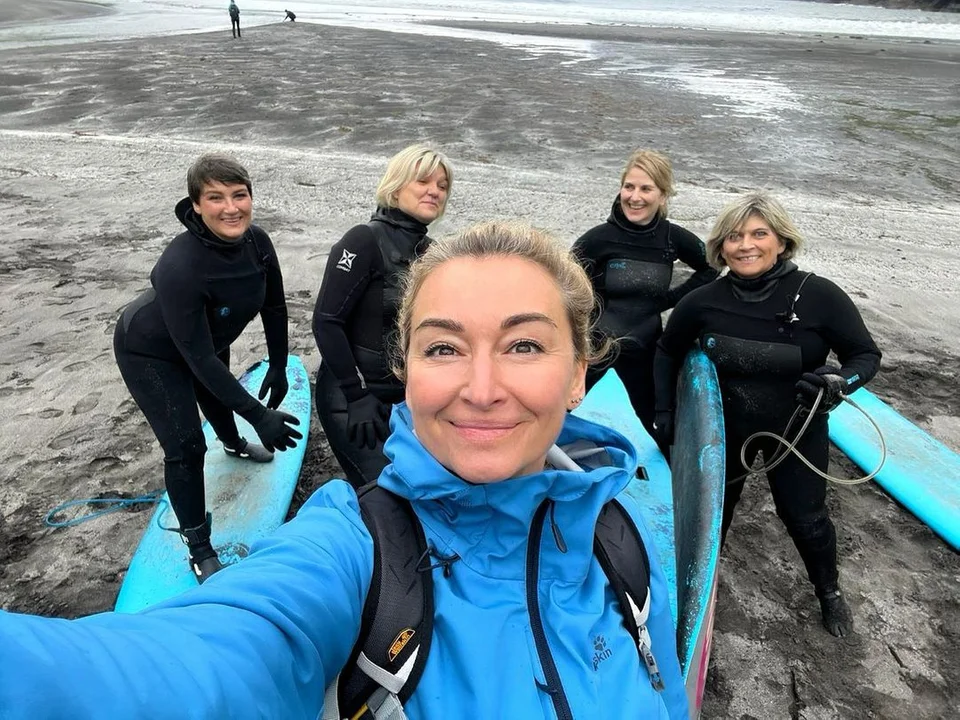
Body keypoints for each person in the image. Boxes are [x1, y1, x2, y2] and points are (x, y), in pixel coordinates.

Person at [0, 221, 689, 719]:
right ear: (406, 371)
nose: (481, 388)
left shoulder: (619, 536)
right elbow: (172, 671)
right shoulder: (353, 551)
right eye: (444, 348)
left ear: (578, 376)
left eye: (525, 344)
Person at [653, 192, 881, 637]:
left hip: (796, 429)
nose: (746, 245)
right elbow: (667, 350)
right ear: (721, 245)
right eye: (734, 236)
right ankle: (697, 593)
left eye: (759, 234)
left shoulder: (819, 295)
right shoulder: (703, 300)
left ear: (781, 241)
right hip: (723, 432)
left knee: (805, 518)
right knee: (712, 515)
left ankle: (829, 593)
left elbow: (865, 355)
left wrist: (838, 382)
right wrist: (666, 411)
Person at [113, 153, 303, 583]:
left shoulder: (258, 243)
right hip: (151, 351)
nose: (231, 207)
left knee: (218, 398)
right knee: (186, 448)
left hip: (206, 338)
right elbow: (196, 360)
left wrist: (276, 364)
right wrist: (259, 414)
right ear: (196, 205)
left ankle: (233, 443)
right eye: (215, 197)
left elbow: (274, 305)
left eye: (240, 195)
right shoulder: (181, 265)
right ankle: (199, 549)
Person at [312, 144, 452, 488]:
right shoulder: (362, 240)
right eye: (423, 181)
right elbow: (326, 321)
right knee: (379, 494)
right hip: (352, 396)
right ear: (396, 184)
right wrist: (356, 395)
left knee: (416, 486)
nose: (434, 191)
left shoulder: (429, 251)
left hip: (403, 396)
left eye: (443, 185)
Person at [572, 149, 717, 445]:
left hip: (645, 350)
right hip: (595, 348)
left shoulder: (672, 238)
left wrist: (670, 299)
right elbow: (563, 283)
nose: (634, 197)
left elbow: (711, 266)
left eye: (646, 188)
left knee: (660, 427)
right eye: (629, 186)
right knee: (558, 410)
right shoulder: (597, 239)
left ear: (663, 196)